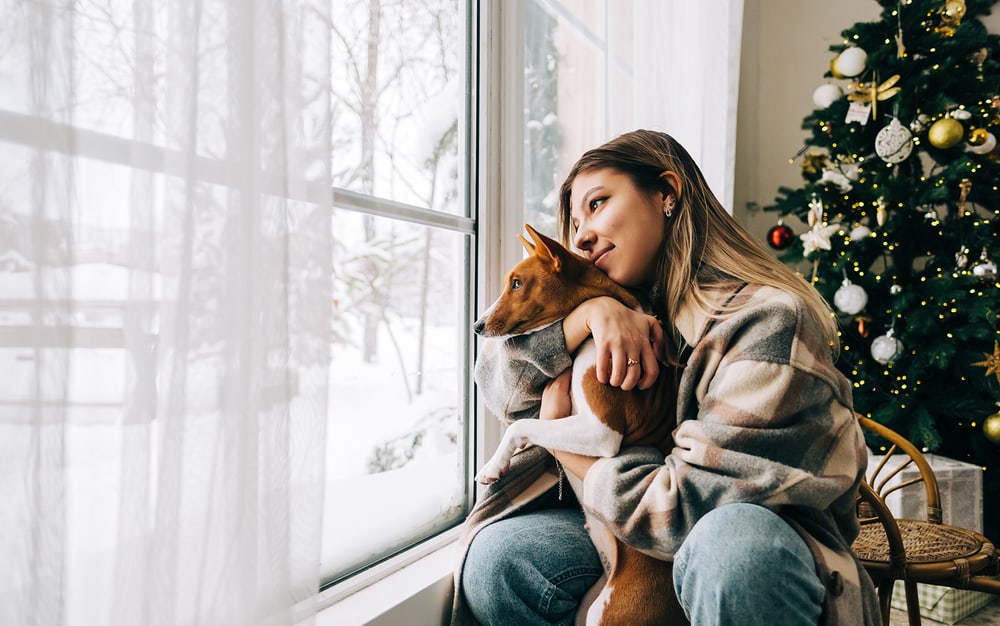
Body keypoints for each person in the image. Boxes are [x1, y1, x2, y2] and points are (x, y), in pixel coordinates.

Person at [450, 130, 880, 625]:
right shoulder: (621, 311)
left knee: (732, 546)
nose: (582, 234)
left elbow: (695, 507)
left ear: (667, 194)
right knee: (499, 558)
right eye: (574, 222)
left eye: (598, 203)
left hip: (751, 542)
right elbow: (497, 388)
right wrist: (583, 320)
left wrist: (567, 448)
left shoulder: (768, 319)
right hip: (633, 527)